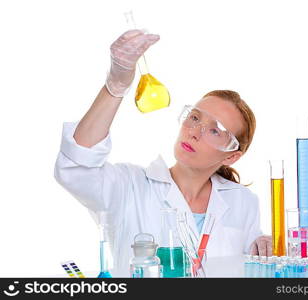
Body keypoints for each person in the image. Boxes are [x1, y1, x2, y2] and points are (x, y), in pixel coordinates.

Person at [54, 29, 271, 277]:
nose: (194, 132)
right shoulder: (129, 187)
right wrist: (115, 87)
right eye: (194, 117)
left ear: (232, 156)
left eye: (214, 130)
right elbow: (76, 167)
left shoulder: (242, 201)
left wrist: (265, 248)